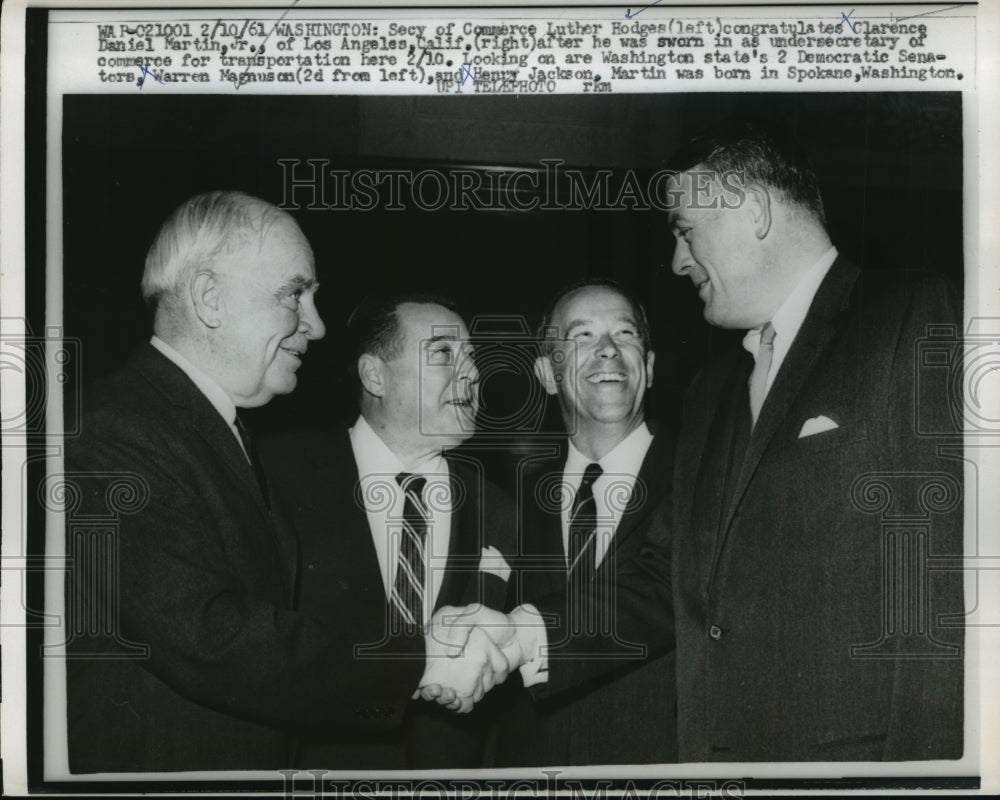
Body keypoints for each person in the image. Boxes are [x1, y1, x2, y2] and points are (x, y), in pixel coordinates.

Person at [423, 121, 965, 762]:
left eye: (685, 229)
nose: (678, 260)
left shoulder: (913, 317)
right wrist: (517, 634)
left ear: (754, 210)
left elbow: (945, 586)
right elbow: (665, 578)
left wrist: (926, 772)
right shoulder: (714, 391)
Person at [63, 192, 504, 773]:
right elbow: (210, 635)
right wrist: (421, 659)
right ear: (209, 298)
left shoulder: (212, 433)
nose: (317, 326)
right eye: (294, 294)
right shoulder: (115, 431)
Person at [261, 294, 516, 769]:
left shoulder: (502, 510)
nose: (472, 373)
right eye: (443, 353)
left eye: (472, 357)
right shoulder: (275, 478)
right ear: (374, 375)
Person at [492, 280, 678, 766]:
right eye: (582, 337)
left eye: (625, 333)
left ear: (650, 368)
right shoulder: (503, 501)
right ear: (547, 375)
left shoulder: (704, 475)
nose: (609, 350)